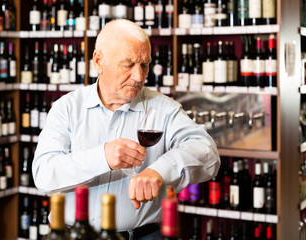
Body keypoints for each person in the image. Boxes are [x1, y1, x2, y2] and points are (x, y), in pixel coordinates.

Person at [32, 19, 220, 240]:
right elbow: (44, 175)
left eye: (144, 65)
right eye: (128, 64)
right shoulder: (67, 108)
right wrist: (102, 157)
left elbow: (208, 154)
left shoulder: (164, 109)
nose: (139, 76)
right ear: (99, 61)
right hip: (71, 235)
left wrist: (159, 171)